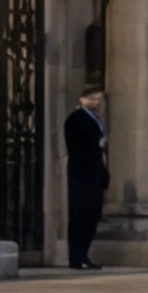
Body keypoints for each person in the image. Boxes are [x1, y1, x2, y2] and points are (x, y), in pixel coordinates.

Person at [61, 87, 110, 271]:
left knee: (91, 216)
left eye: (99, 98)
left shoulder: (95, 120)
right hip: (82, 174)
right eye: (93, 98)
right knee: (80, 215)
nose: (97, 102)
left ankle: (84, 255)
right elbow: (78, 146)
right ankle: (76, 257)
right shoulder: (76, 119)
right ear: (82, 99)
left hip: (94, 173)